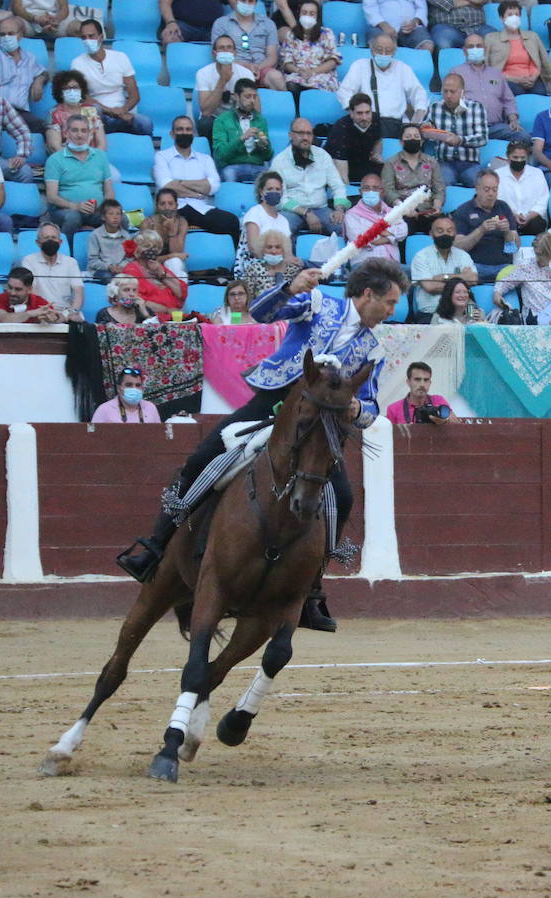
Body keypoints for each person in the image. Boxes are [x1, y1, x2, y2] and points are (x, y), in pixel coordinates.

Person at [115, 257, 412, 626]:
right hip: (274, 401)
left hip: (320, 427)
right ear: (368, 294)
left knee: (344, 497)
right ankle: (156, 545)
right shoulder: (320, 304)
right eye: (390, 302)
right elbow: (262, 311)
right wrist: (291, 287)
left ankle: (312, 590)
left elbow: (370, 409)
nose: (392, 310)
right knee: (202, 458)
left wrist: (354, 407)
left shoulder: (373, 349)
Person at [153, 116, 244, 245]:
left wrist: (179, 183)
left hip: (201, 209)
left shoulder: (205, 159)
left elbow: (213, 186)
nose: (184, 133)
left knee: (232, 221)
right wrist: (199, 189)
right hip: (175, 209)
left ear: (193, 134)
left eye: (188, 129)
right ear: (172, 134)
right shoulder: (162, 156)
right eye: (180, 129)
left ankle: (231, 263)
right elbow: (166, 186)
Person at [335, 34, 429, 139]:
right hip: (367, 124)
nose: (383, 54)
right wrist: (357, 113)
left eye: (388, 50)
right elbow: (344, 92)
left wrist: (417, 118)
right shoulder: (360, 66)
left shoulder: (403, 68)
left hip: (396, 125)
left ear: (394, 52)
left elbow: (419, 93)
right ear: (371, 50)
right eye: (379, 50)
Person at [71, 19, 153, 136]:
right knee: (93, 110)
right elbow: (84, 97)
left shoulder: (120, 57)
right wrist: (111, 111)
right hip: (98, 114)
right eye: (84, 37)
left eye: (91, 36)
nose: (87, 40)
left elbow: (134, 94)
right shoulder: (77, 63)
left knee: (146, 123)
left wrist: (123, 110)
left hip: (121, 112)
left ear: (101, 37)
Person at [269, 118, 349, 236]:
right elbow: (279, 199)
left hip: (321, 209)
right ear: (291, 135)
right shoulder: (279, 161)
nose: (305, 137)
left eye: (309, 133)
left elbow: (338, 186)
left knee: (343, 226)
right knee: (282, 229)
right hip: (292, 210)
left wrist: (339, 209)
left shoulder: (322, 156)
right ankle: (289, 255)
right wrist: (306, 213)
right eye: (301, 133)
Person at [44, 114, 114, 240]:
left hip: (96, 210)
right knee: (73, 217)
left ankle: (116, 257)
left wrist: (104, 208)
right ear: (66, 133)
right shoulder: (55, 159)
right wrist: (75, 206)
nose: (79, 135)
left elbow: (109, 191)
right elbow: (51, 197)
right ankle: (68, 255)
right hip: (66, 210)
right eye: (74, 130)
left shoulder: (100, 156)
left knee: (119, 218)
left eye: (84, 130)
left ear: (90, 134)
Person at [452, 32, 528, 145]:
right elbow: (451, 102)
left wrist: (513, 120)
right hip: (470, 128)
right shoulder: (456, 73)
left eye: (479, 46)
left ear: (485, 49)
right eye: (471, 46)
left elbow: (508, 100)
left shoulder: (496, 73)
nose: (475, 49)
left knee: (525, 136)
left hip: (497, 127)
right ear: (464, 51)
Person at [0, 17, 49, 134]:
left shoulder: (29, 58)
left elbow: (44, 72)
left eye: (10, 33)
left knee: (48, 128)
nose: (6, 38)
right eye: (2, 34)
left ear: (21, 35)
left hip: (21, 113)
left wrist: (39, 80)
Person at [491, 230, 551, 323]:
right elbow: (505, 282)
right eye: (536, 254)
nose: (538, 258)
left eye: (541, 254)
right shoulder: (526, 265)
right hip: (536, 317)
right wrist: (497, 293)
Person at [451, 170, 518, 282]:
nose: (491, 194)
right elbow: (459, 247)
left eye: (494, 189)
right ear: (477, 188)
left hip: (503, 267)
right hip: (475, 267)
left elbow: (513, 249)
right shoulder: (463, 210)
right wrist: (481, 230)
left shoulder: (504, 207)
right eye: (487, 189)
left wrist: (507, 232)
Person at [381, 123, 446, 233]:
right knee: (401, 231)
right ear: (401, 141)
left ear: (421, 141)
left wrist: (436, 206)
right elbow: (388, 191)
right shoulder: (390, 163)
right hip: (402, 210)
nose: (412, 139)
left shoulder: (432, 162)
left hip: (427, 210)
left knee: (444, 227)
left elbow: (439, 188)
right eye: (408, 137)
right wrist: (403, 208)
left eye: (416, 137)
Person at [426, 73, 488, 188]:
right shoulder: (434, 108)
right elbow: (425, 131)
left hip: (469, 163)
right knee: (441, 183)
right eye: (445, 91)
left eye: (452, 92)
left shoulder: (476, 108)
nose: (448, 95)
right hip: (444, 162)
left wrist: (460, 140)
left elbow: (482, 138)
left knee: (481, 185)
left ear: (462, 92)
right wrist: (427, 130)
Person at [410, 214, 476, 319]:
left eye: (449, 231)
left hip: (461, 314)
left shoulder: (463, 255)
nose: (445, 234)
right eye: (440, 231)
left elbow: (473, 280)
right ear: (431, 234)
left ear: (455, 233)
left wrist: (444, 277)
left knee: (476, 319)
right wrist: (460, 280)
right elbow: (430, 287)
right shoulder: (421, 257)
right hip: (431, 314)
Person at [211, 0, 286, 91]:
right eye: (243, 0)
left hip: (261, 67)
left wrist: (257, 68)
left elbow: (272, 56)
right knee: (232, 76)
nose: (246, 3)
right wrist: (246, 67)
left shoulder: (268, 24)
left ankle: (277, 105)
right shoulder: (221, 23)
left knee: (277, 78)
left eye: (250, 1)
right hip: (234, 67)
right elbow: (218, 55)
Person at [484, 0, 551, 95]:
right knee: (516, 92)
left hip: (531, 79)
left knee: (540, 92)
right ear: (501, 18)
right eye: (510, 14)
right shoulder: (491, 39)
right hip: (506, 80)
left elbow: (540, 61)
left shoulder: (532, 37)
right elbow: (489, 67)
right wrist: (516, 79)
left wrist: (532, 77)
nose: (514, 17)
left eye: (517, 14)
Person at [195, 35, 256, 138]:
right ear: (214, 53)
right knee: (205, 124)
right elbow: (206, 112)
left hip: (239, 116)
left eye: (229, 47)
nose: (226, 51)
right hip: (215, 117)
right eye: (221, 48)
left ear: (235, 52)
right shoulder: (203, 73)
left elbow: (254, 107)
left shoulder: (246, 74)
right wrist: (222, 80)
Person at [213, 79, 272, 183]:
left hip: (257, 166)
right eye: (247, 96)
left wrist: (264, 146)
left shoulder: (260, 120)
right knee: (229, 174)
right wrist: (241, 138)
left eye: (254, 96)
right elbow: (220, 155)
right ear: (236, 96)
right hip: (233, 166)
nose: (252, 100)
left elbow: (268, 156)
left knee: (271, 179)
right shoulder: (222, 120)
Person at [20, 222, 85, 316]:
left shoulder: (71, 262)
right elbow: (31, 291)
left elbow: (79, 292)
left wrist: (67, 314)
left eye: (54, 237)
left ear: (60, 242)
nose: (50, 240)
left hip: (66, 313)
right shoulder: (29, 261)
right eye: (46, 238)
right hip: (40, 312)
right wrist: (46, 312)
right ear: (38, 243)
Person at [121, 229, 189, 318]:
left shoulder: (158, 266)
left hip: (174, 316)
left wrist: (161, 273)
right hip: (150, 317)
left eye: (156, 247)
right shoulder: (131, 270)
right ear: (136, 249)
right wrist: (167, 310)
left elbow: (181, 293)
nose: (152, 250)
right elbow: (138, 300)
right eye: (146, 246)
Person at [343, 172, 406, 266]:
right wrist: (391, 237)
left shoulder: (392, 212)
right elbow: (362, 241)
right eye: (366, 188)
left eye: (375, 188)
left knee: (416, 274)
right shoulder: (351, 215)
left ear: (383, 192)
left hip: (392, 264)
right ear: (360, 192)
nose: (371, 191)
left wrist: (376, 233)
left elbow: (403, 231)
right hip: (364, 264)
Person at [236, 171, 291, 276]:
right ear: (261, 192)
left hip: (280, 267)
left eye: (278, 189)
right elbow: (254, 248)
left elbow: (288, 252)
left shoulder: (284, 220)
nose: (274, 192)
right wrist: (274, 265)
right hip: (256, 266)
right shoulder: (254, 213)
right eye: (270, 189)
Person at [280, 0, 340, 92]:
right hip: (298, 73)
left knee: (316, 85)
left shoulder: (327, 33)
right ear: (299, 14)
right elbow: (286, 62)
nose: (307, 16)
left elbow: (333, 61)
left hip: (321, 74)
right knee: (291, 84)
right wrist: (299, 70)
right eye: (304, 13)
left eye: (312, 14)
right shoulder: (291, 35)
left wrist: (313, 71)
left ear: (317, 16)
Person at [325, 93, 384, 182]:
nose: (364, 117)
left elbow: (378, 140)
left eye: (367, 112)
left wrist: (376, 154)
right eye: (359, 113)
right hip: (340, 164)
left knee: (387, 172)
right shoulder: (340, 129)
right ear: (351, 113)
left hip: (363, 162)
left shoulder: (375, 119)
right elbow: (341, 169)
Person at [45, 70, 106, 155]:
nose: (72, 91)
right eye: (67, 88)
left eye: (75, 87)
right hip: (65, 159)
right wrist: (77, 159)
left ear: (81, 90)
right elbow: (55, 146)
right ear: (60, 92)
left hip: (92, 158)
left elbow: (102, 144)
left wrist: (92, 159)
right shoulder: (54, 114)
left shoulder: (91, 110)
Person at [494, 140, 548, 235]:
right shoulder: (498, 174)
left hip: (533, 220)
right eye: (515, 157)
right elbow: (497, 200)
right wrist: (513, 215)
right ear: (507, 156)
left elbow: (543, 200)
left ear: (527, 158)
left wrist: (529, 216)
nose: (519, 160)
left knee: (537, 224)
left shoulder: (537, 173)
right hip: (507, 219)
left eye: (522, 157)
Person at [238, 228, 303, 298]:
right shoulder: (254, 269)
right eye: (269, 247)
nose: (273, 251)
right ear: (262, 250)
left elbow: (300, 296)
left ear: (284, 249)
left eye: (278, 247)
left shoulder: (294, 270)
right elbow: (247, 298)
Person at [0, 267, 64, 323]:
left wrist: (54, 318)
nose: (12, 293)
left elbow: (59, 317)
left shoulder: (39, 302)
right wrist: (31, 313)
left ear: (29, 289)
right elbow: (4, 319)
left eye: (18, 289)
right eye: (10, 287)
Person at [386, 361, 455, 423]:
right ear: (408, 382)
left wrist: (444, 421)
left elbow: (457, 424)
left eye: (426, 380)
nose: (422, 384)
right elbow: (388, 435)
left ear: (430, 383)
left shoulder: (438, 401)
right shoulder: (393, 409)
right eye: (417, 379)